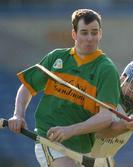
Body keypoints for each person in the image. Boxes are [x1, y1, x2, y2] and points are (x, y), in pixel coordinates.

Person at [8, 9, 120, 167]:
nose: (90, 38)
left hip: (82, 149)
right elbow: (27, 87)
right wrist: (18, 115)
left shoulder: (107, 70)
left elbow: (106, 117)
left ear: (100, 34)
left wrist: (70, 130)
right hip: (49, 139)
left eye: (94, 33)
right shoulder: (56, 58)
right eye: (84, 33)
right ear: (74, 34)